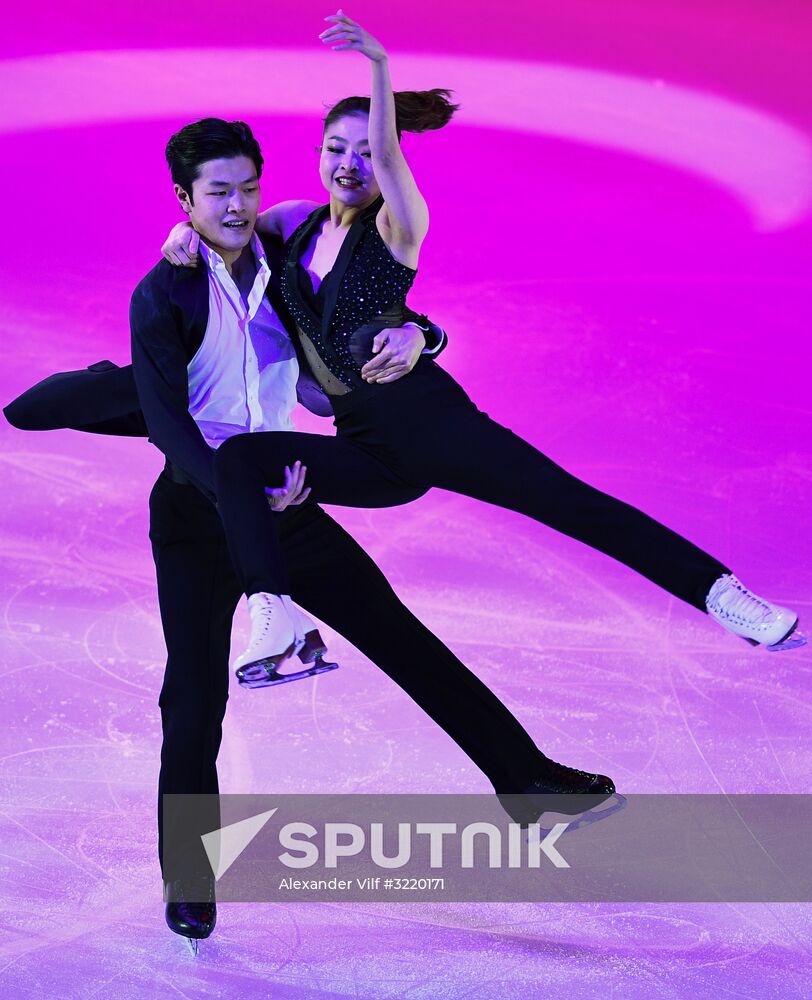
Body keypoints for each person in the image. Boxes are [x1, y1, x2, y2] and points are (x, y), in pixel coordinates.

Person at [4, 114, 616, 950]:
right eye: (218, 193)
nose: (238, 205)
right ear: (184, 199)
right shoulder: (163, 293)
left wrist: (423, 332)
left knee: (401, 636)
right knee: (193, 700)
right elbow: (176, 437)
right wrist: (237, 500)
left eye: (249, 189)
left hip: (285, 497)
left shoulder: (285, 263)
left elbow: (363, 306)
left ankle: (527, 780)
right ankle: (189, 873)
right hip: (196, 513)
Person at [162, 10, 805, 686]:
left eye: (365, 149)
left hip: (435, 426)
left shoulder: (398, 225)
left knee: (569, 504)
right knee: (238, 459)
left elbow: (384, 160)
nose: (348, 163)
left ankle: (725, 596)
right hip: (364, 446)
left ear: (390, 159)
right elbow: (221, 225)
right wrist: (178, 236)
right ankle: (277, 617)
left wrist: (379, 68)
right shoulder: (293, 225)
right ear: (318, 152)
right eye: (334, 148)